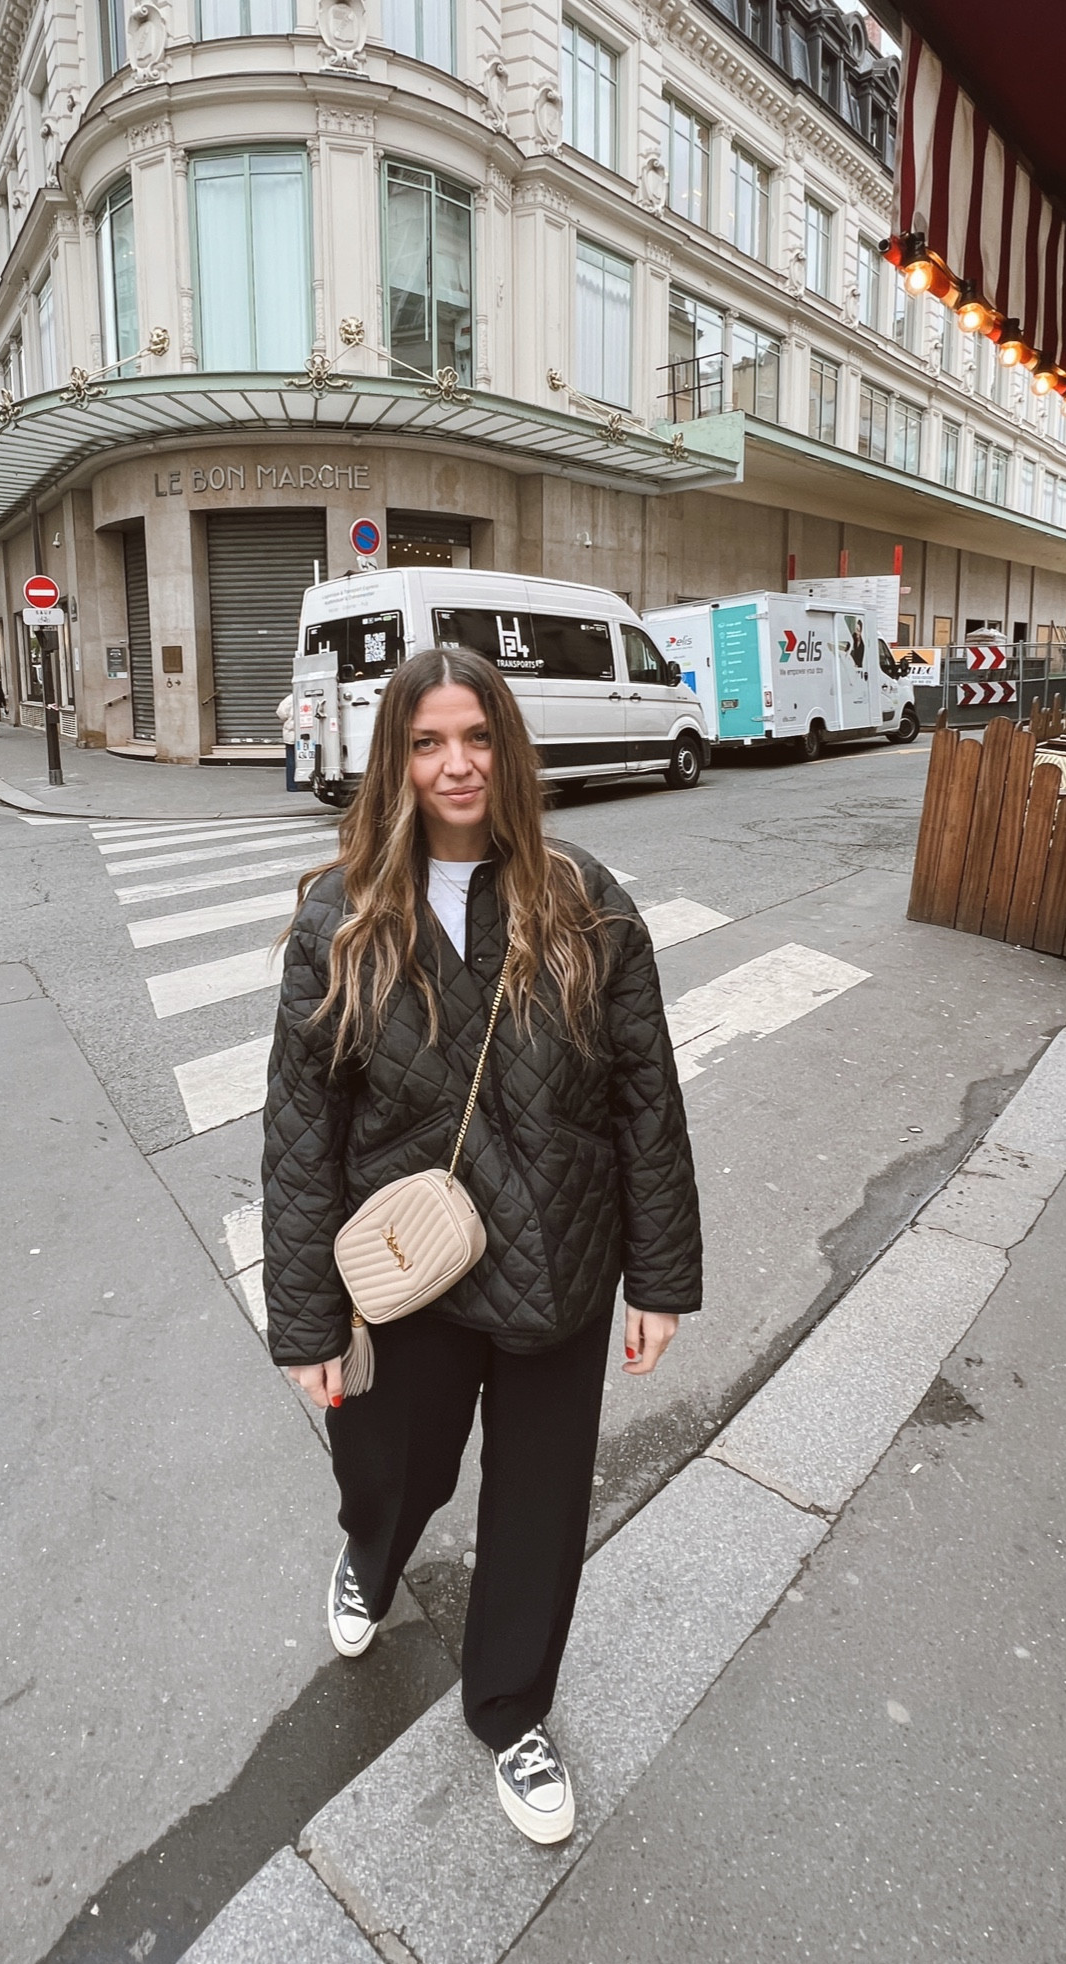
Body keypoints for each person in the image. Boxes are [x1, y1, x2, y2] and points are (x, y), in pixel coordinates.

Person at [261, 647, 702, 1846]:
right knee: (392, 1462)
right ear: (390, 761)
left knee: (542, 1498)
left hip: (561, 1257)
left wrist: (658, 1276)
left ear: (508, 747)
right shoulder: (340, 920)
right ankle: (371, 1545)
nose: (455, 763)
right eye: (425, 741)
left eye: (477, 736)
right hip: (412, 1271)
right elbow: (302, 1134)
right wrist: (306, 1319)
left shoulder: (584, 898)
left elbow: (645, 1100)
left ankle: (511, 1705)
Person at [275, 692, 298, 791]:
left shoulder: (290, 698)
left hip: (292, 734)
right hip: (311, 735)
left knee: (291, 760)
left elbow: (281, 713)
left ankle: (292, 785)